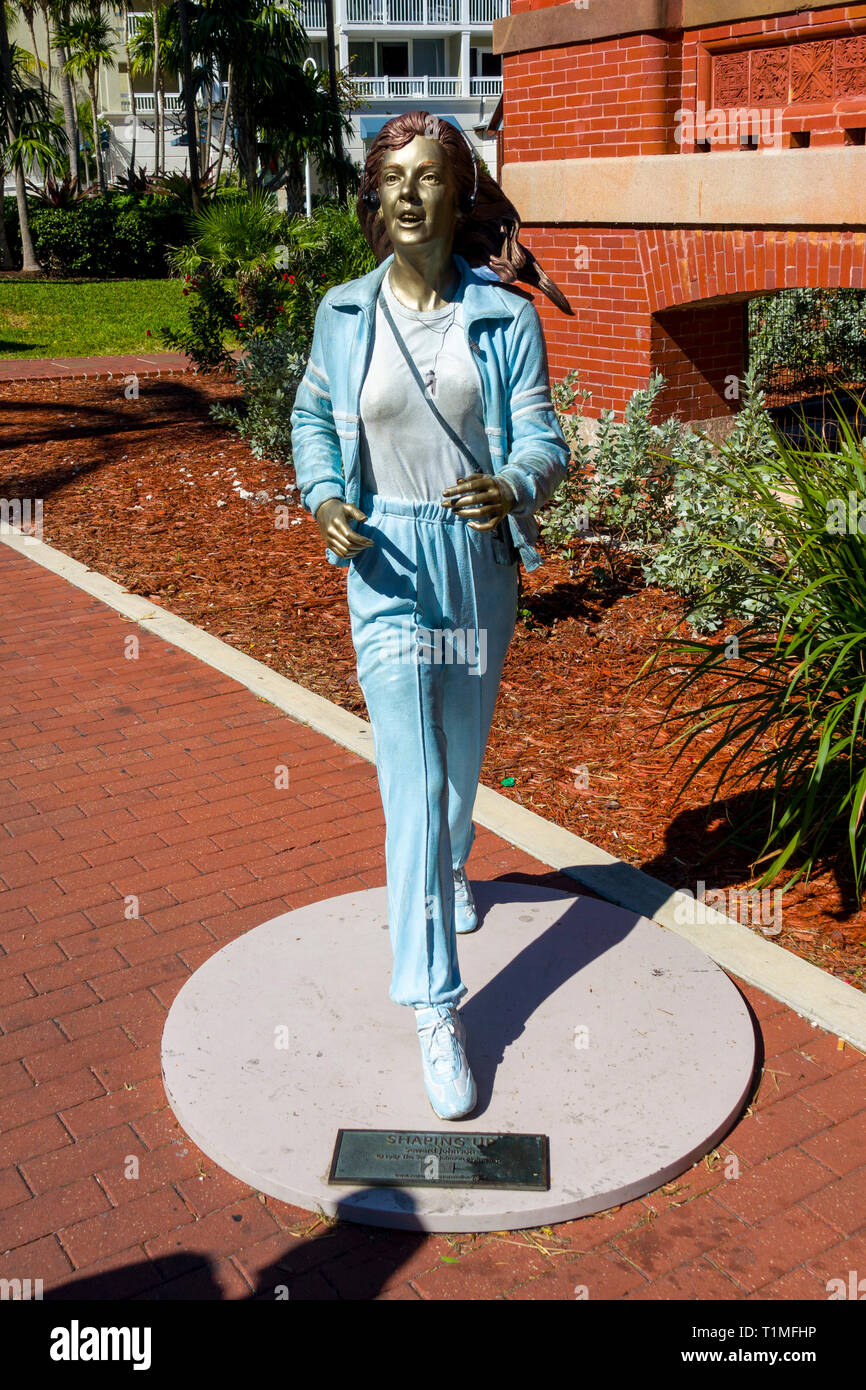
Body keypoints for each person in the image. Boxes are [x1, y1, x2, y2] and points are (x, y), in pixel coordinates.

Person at [290, 110, 572, 1120]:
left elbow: (542, 435)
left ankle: (455, 866)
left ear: (459, 197)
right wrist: (325, 495)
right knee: (409, 779)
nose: (408, 192)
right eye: (392, 177)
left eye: (428, 176)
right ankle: (434, 1003)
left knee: (461, 758)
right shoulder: (339, 314)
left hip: (475, 563)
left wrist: (513, 482)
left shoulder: (503, 315)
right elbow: (312, 419)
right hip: (388, 563)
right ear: (376, 198)